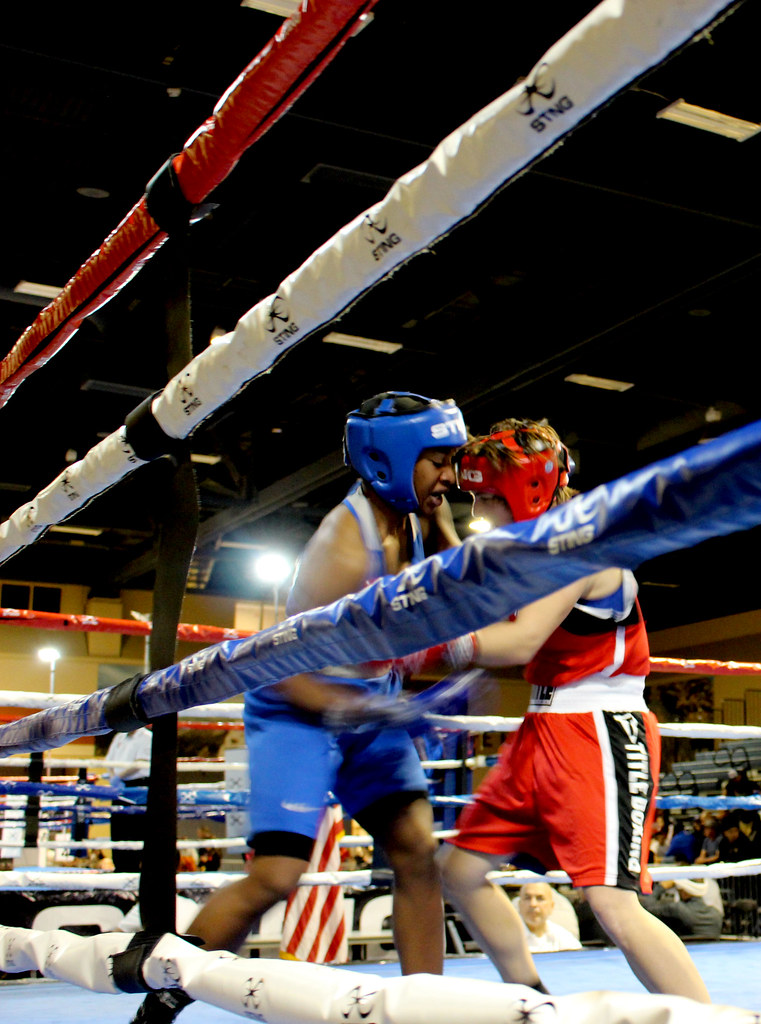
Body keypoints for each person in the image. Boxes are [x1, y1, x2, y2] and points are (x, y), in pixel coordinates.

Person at [131, 392, 467, 1024]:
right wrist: (385, 712)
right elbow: (285, 677)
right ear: (391, 461)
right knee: (278, 875)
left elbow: (458, 589)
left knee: (418, 852)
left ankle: (428, 1010)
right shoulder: (342, 545)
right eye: (438, 460)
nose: (450, 475)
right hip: (298, 710)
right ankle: (162, 1004)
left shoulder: (420, 514)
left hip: (366, 708)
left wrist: (451, 541)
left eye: (451, 460)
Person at [436, 419, 710, 1002]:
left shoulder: (580, 547)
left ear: (526, 492)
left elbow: (515, 643)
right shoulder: (529, 543)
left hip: (598, 731)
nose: (478, 509)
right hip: (542, 729)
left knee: (613, 906)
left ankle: (708, 1021)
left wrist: (425, 645)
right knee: (458, 870)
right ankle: (536, 1005)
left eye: (489, 497)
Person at [104, 725, 152, 873]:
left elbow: (140, 763)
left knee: (134, 829)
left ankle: (133, 869)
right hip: (118, 788)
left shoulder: (147, 737)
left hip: (137, 787)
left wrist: (120, 776)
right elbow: (109, 762)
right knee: (118, 827)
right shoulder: (119, 736)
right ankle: (119, 868)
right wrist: (114, 778)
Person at [639, 878, 723, 940]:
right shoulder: (716, 914)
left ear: (685, 892)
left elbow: (646, 908)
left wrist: (661, 887)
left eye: (679, 889)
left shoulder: (677, 909)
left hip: (683, 956)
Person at [516, 882, 582, 952]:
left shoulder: (562, 937)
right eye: (527, 898)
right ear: (519, 905)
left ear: (552, 906)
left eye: (540, 898)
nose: (533, 904)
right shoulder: (506, 938)